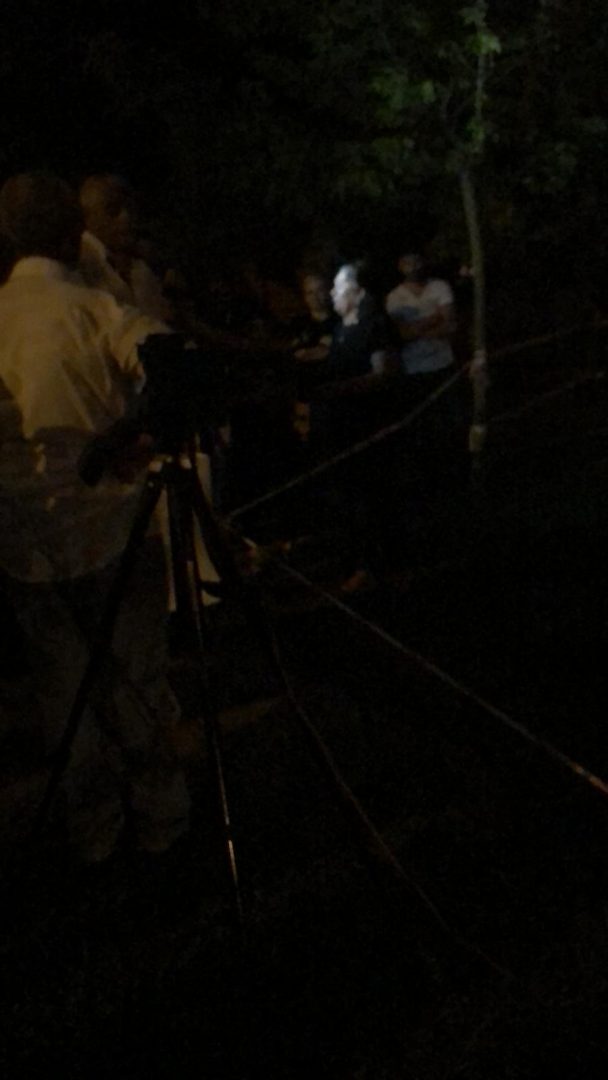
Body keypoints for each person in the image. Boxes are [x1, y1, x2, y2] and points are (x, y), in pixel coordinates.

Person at [0, 172, 190, 861]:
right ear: (71, 235)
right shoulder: (92, 308)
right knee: (134, 682)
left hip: (23, 545)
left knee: (64, 694)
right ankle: (161, 818)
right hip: (112, 529)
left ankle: (94, 829)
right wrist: (130, 435)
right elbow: (170, 367)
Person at [78, 173, 173, 323]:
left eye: (131, 208)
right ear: (87, 217)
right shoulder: (79, 264)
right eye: (113, 210)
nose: (126, 217)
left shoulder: (141, 267)